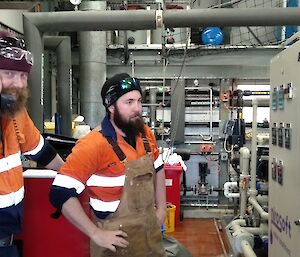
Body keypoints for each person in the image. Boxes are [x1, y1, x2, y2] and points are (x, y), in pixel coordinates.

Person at [50, 73, 167, 257]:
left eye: (138, 101)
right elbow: (60, 193)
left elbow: (159, 169)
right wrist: (96, 233)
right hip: (114, 244)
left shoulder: (145, 134)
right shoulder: (93, 144)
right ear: (111, 106)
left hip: (149, 236)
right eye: (128, 102)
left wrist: (161, 210)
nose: (137, 108)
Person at [0, 31, 64, 257]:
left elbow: (42, 151)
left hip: (8, 235)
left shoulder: (15, 112)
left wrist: (70, 174)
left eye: (23, 75)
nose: (17, 84)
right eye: (8, 73)